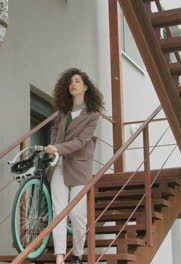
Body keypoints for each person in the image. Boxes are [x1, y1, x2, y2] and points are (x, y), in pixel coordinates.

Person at [44, 68, 104, 264]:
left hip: (79, 167)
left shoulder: (93, 115)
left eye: (77, 81)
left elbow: (81, 141)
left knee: (78, 214)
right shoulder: (63, 113)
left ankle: (77, 254)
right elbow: (54, 131)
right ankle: (60, 255)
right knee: (59, 210)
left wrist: (57, 148)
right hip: (60, 165)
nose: (73, 84)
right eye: (71, 81)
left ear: (85, 87)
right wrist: (54, 148)